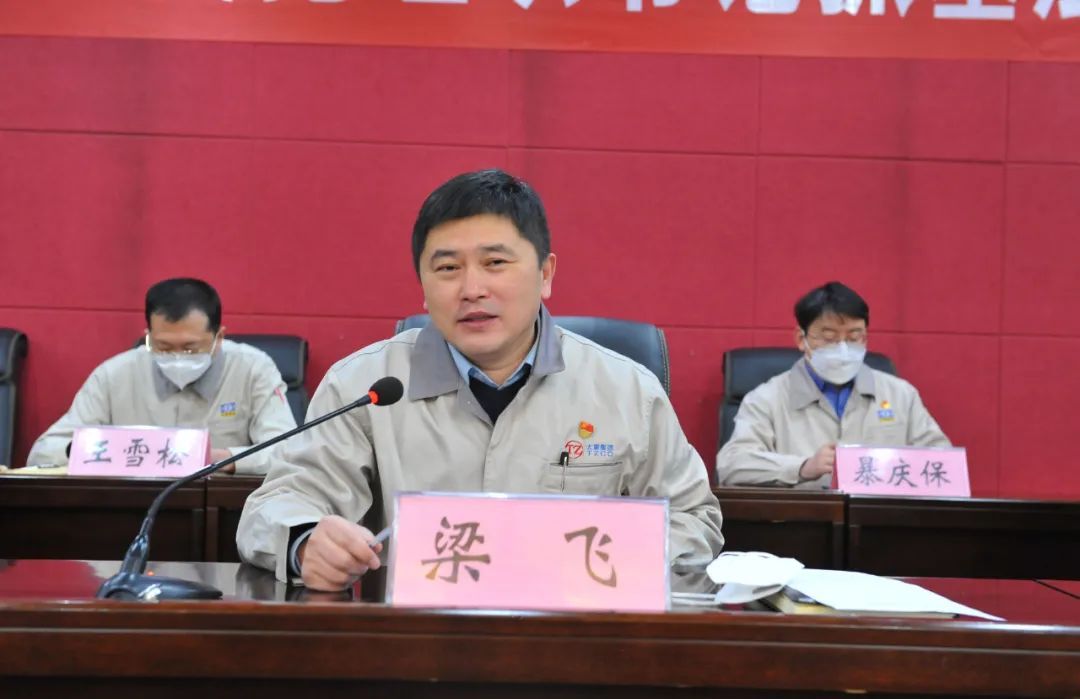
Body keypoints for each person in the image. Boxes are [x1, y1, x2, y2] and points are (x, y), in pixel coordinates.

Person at [237, 169, 724, 589]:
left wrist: (607, 561)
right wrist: (305, 542)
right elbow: (276, 505)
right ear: (423, 286)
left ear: (545, 273)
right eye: (448, 268)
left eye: (495, 263)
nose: (472, 289)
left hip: (576, 643)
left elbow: (693, 520)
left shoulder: (627, 390)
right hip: (416, 650)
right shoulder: (366, 386)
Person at [27, 278, 296, 475]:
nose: (178, 357)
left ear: (219, 337)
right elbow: (44, 452)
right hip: (128, 513)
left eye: (190, 348)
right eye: (164, 347)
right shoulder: (115, 375)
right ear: (148, 335)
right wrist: (105, 452)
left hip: (221, 515)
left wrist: (220, 459)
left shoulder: (253, 369)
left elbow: (288, 451)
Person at [716, 281, 950, 489]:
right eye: (829, 338)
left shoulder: (900, 395)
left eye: (854, 337)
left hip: (882, 519)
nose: (843, 349)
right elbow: (732, 464)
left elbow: (944, 463)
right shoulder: (766, 398)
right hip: (801, 519)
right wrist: (802, 467)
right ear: (801, 339)